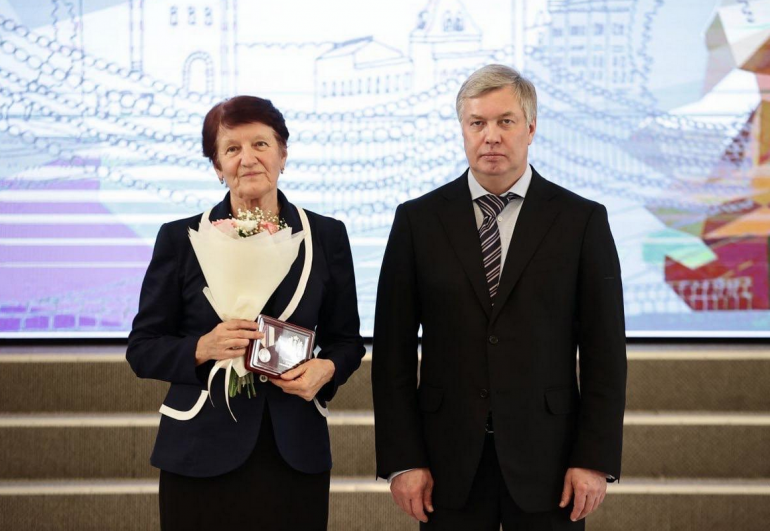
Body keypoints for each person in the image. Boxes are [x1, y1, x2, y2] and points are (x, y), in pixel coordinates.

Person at [372, 64, 627, 530]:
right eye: (478, 123)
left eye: (505, 121)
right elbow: (393, 354)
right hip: (446, 461)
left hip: (551, 460)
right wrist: (403, 460)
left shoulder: (581, 221)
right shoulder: (417, 221)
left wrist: (594, 458)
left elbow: (605, 352)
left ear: (531, 128)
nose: (491, 136)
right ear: (462, 130)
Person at [127, 95, 365, 530]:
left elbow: (347, 341)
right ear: (217, 166)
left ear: (283, 154)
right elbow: (142, 349)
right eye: (232, 148)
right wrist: (202, 348)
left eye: (260, 144)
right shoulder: (182, 238)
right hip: (199, 448)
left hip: (294, 448)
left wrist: (327, 369)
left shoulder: (326, 235)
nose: (248, 158)